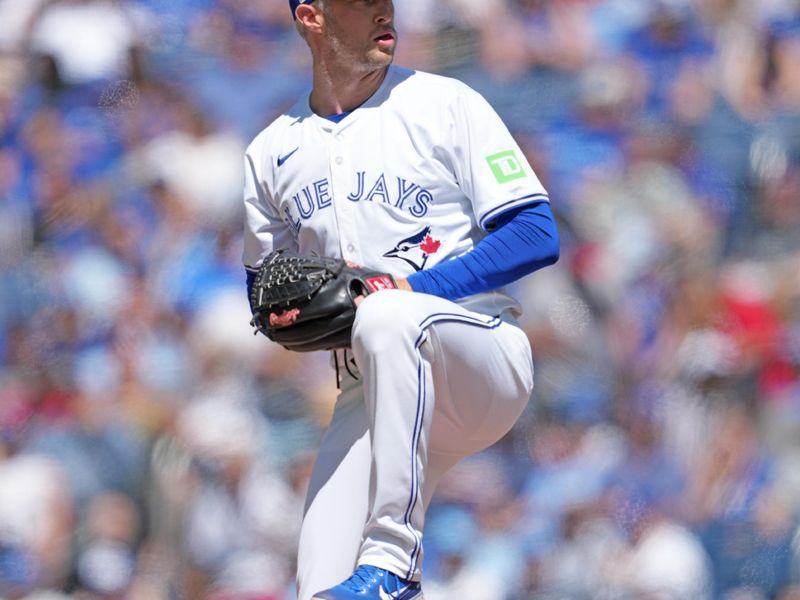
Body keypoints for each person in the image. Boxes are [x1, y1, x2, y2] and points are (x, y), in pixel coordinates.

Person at [242, 0, 560, 598]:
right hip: (372, 390)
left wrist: (409, 288)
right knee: (318, 587)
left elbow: (535, 233)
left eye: (385, 4)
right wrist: (288, 312)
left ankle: (393, 562)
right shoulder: (271, 151)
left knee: (389, 314)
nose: (384, 15)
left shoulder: (444, 103)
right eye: (363, 6)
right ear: (312, 16)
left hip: (475, 355)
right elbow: (265, 291)